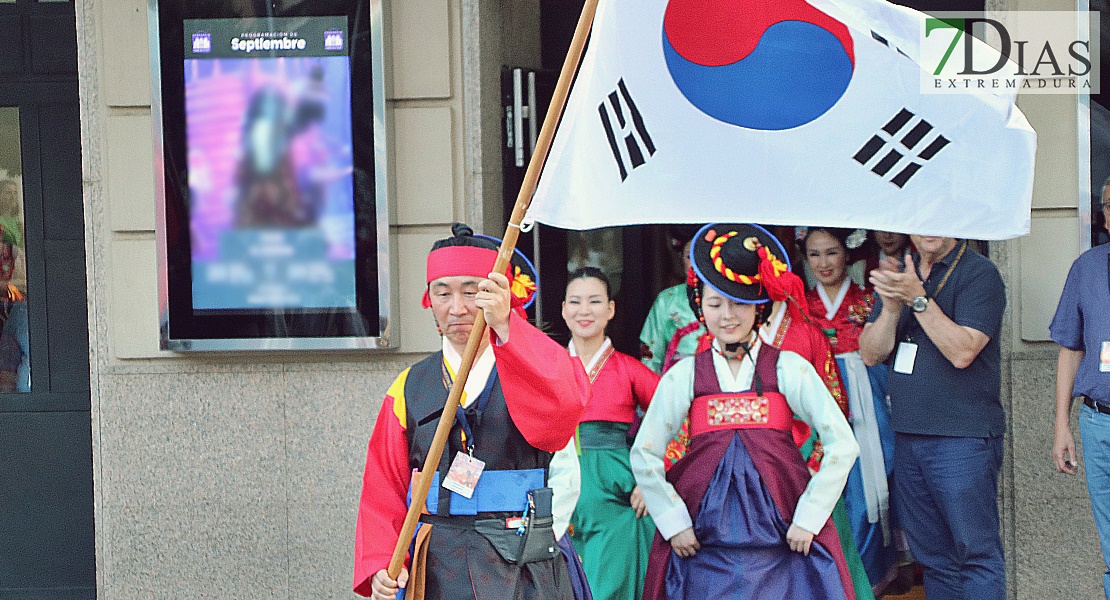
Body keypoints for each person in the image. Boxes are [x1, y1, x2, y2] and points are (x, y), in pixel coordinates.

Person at [353, 223, 591, 600]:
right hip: (437, 563)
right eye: (442, 292)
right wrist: (382, 562)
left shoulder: (529, 366)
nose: (458, 307)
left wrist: (508, 328)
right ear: (428, 300)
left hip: (521, 560)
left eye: (472, 291)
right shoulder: (409, 386)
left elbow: (566, 412)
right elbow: (383, 486)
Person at [633, 223, 860, 600]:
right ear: (699, 307)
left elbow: (842, 445)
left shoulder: (789, 367)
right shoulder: (686, 374)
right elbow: (645, 452)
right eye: (715, 303)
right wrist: (673, 522)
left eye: (738, 303)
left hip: (786, 540)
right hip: (700, 545)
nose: (727, 315)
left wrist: (810, 516)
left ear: (759, 308)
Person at [860, 235, 1006, 600]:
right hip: (909, 436)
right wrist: (892, 307)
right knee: (934, 559)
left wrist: (919, 300)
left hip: (962, 438)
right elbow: (870, 353)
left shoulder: (979, 273)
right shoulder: (903, 271)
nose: (929, 229)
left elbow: (963, 351)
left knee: (975, 554)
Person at [804, 227, 898, 596]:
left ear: (847, 254)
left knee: (869, 485)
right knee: (825, 488)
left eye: (831, 252)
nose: (823, 263)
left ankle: (868, 577)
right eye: (814, 254)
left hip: (865, 395)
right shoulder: (798, 304)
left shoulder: (870, 299)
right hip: (815, 396)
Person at [561, 266, 660, 600]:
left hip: (616, 495)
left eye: (594, 301)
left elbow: (677, 418)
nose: (584, 311)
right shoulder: (548, 366)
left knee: (609, 589)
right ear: (563, 310)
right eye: (575, 302)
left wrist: (652, 479)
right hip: (559, 486)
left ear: (610, 309)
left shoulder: (629, 369)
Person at [1050, 189, 1110, 598]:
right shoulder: (1086, 269)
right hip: (1098, 423)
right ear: (1104, 216)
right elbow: (1070, 348)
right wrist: (1061, 424)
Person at [639, 225, 705, 374]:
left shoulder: (732, 297)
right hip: (679, 380)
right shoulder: (667, 300)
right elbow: (651, 355)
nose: (698, 264)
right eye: (690, 256)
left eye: (705, 255)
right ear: (681, 258)